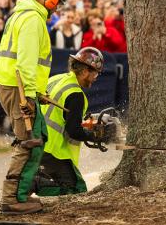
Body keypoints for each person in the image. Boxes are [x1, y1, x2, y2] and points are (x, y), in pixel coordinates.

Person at [0, 0, 67, 215]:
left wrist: (39, 93)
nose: (58, 8)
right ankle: (12, 199)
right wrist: (29, 97)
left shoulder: (21, 13)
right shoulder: (33, 19)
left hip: (15, 86)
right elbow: (25, 63)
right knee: (28, 142)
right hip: (19, 89)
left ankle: (19, 194)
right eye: (58, 3)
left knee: (34, 139)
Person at [33, 48, 114, 196]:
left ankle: (36, 179)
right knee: (76, 190)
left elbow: (61, 116)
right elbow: (74, 131)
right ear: (84, 71)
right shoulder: (76, 95)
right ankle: (34, 183)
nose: (96, 77)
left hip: (38, 142)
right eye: (95, 73)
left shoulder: (56, 79)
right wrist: (96, 135)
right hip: (54, 151)